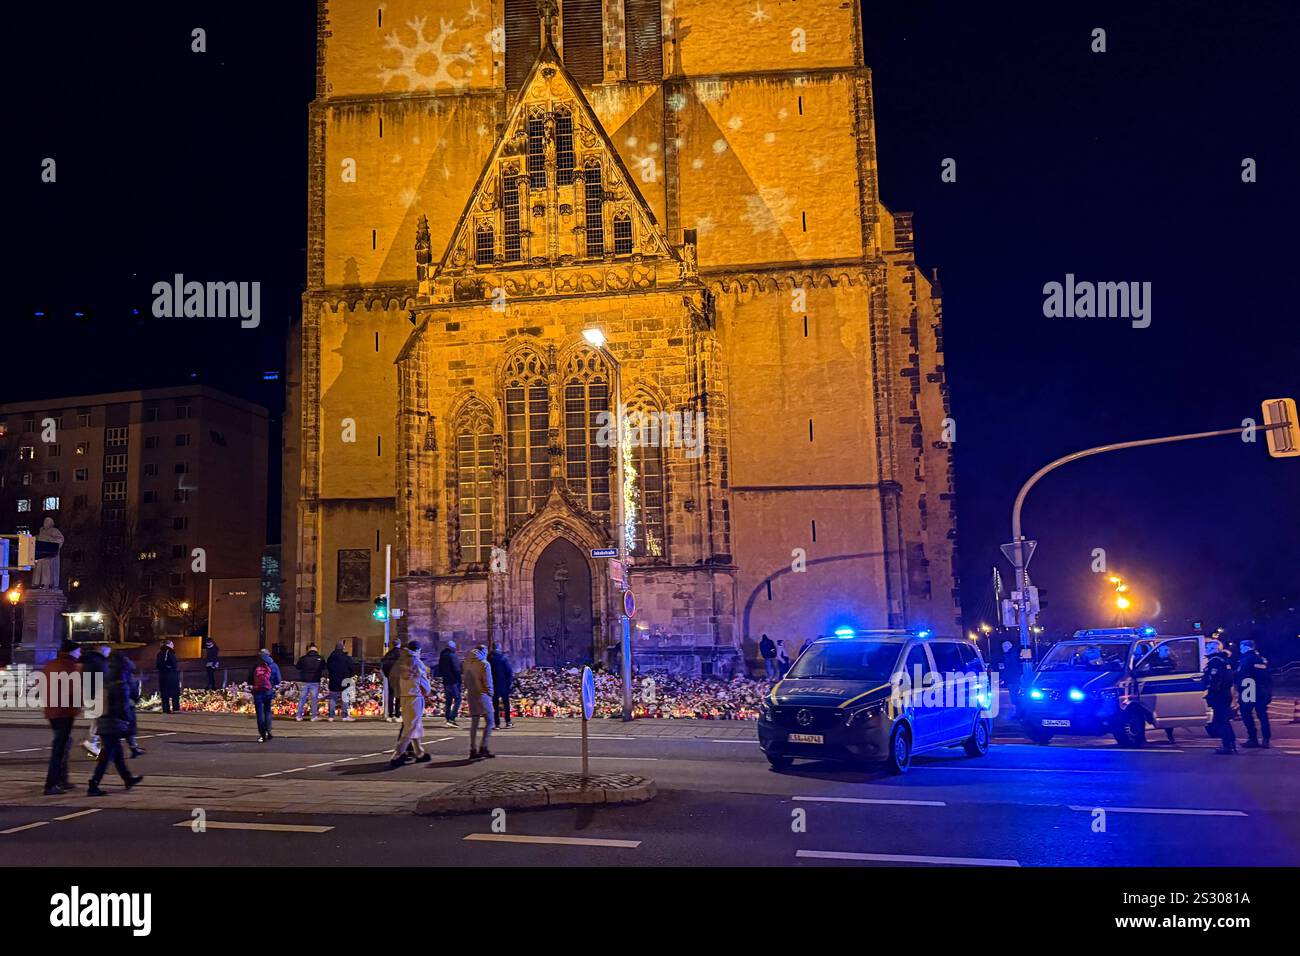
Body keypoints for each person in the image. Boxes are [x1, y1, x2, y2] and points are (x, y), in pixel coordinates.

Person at [87, 653, 144, 796]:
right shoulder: (121, 685)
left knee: (116, 753)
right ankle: (93, 783)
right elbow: (123, 708)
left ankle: (127, 778)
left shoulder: (107, 680)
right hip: (114, 723)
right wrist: (128, 722)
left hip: (104, 721)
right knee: (106, 756)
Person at [42, 639, 82, 796]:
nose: (80, 654)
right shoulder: (69, 667)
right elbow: (73, 690)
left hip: (53, 711)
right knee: (59, 748)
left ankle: (61, 780)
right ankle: (52, 783)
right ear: (72, 652)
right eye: (78, 651)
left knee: (63, 744)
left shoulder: (51, 665)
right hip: (64, 712)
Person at [390, 641, 433, 767]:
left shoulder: (402, 662)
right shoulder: (417, 662)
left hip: (404, 696)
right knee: (410, 728)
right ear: (418, 650)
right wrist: (427, 691)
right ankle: (397, 755)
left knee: (414, 725)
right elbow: (422, 681)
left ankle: (419, 752)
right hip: (415, 696)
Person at [1236, 639, 1272, 749]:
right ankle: (1266, 739)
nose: (1240, 650)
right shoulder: (1261, 658)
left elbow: (1242, 675)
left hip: (1249, 689)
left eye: (1241, 647)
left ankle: (1253, 738)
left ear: (1246, 647)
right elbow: (1267, 676)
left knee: (1246, 713)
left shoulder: (1246, 659)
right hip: (1262, 689)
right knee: (1262, 715)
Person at [1203, 639, 1236, 754]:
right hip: (1225, 694)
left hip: (1219, 695)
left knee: (1221, 721)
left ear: (1214, 649)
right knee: (1225, 720)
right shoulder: (1224, 660)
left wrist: (1211, 694)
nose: (1206, 649)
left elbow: (1215, 680)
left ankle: (1227, 746)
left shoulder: (1215, 661)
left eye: (1207, 647)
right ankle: (1231, 744)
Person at [464, 644, 495, 759]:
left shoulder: (467, 663)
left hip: (471, 694)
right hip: (482, 694)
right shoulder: (484, 664)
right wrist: (490, 693)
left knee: (474, 722)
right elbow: (488, 681)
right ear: (483, 651)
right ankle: (483, 746)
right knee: (490, 721)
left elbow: (465, 680)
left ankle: (472, 749)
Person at [80, 643, 110, 758]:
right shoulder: (99, 662)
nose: (108, 654)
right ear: (103, 650)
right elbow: (105, 677)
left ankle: (93, 745)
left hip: (89, 693)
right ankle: (91, 743)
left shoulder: (89, 660)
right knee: (99, 721)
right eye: (107, 652)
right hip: (97, 694)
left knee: (96, 720)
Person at [249, 648, 282, 742]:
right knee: (267, 711)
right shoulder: (274, 665)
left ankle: (262, 735)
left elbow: (249, 678)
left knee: (260, 713)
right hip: (268, 691)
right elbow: (278, 679)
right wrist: (271, 684)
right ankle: (269, 731)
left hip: (258, 691)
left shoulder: (255, 664)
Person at [295, 643, 325, 721]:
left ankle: (299, 716)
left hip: (304, 681)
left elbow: (297, 667)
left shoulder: (303, 658)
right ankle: (314, 716)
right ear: (316, 650)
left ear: (309, 650)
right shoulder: (320, 658)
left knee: (302, 698)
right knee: (314, 699)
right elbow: (324, 667)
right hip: (315, 681)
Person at [326, 640, 355, 721]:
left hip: (333, 680)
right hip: (344, 681)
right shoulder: (346, 658)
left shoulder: (330, 657)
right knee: (345, 699)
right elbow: (352, 668)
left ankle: (331, 716)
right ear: (343, 648)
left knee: (333, 699)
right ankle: (345, 716)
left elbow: (328, 668)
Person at [488, 643, 515, 729]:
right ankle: (508, 721)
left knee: (495, 704)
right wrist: (509, 683)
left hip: (493, 684)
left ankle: (497, 723)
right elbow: (509, 672)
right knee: (506, 703)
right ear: (499, 648)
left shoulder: (489, 658)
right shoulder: (504, 658)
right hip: (503, 684)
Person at [438, 640, 463, 728]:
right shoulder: (452, 656)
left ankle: (448, 718)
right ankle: (452, 718)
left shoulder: (442, 656)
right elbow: (456, 670)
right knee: (458, 698)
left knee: (448, 700)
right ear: (453, 647)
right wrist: (459, 680)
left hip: (446, 681)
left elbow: (440, 669)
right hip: (453, 681)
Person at [155, 639, 180, 714]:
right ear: (168, 645)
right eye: (172, 644)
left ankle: (165, 709)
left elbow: (157, 665)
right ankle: (175, 708)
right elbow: (174, 664)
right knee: (174, 692)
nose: (173, 646)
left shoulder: (159, 653)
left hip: (162, 675)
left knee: (164, 693)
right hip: (171, 675)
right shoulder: (171, 652)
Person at [381, 642, 402, 723]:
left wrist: (387, 675)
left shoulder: (388, 654)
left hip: (390, 677)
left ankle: (390, 715)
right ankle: (397, 715)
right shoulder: (402, 654)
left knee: (391, 695)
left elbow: (383, 666)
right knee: (398, 696)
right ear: (399, 644)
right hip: (399, 677)